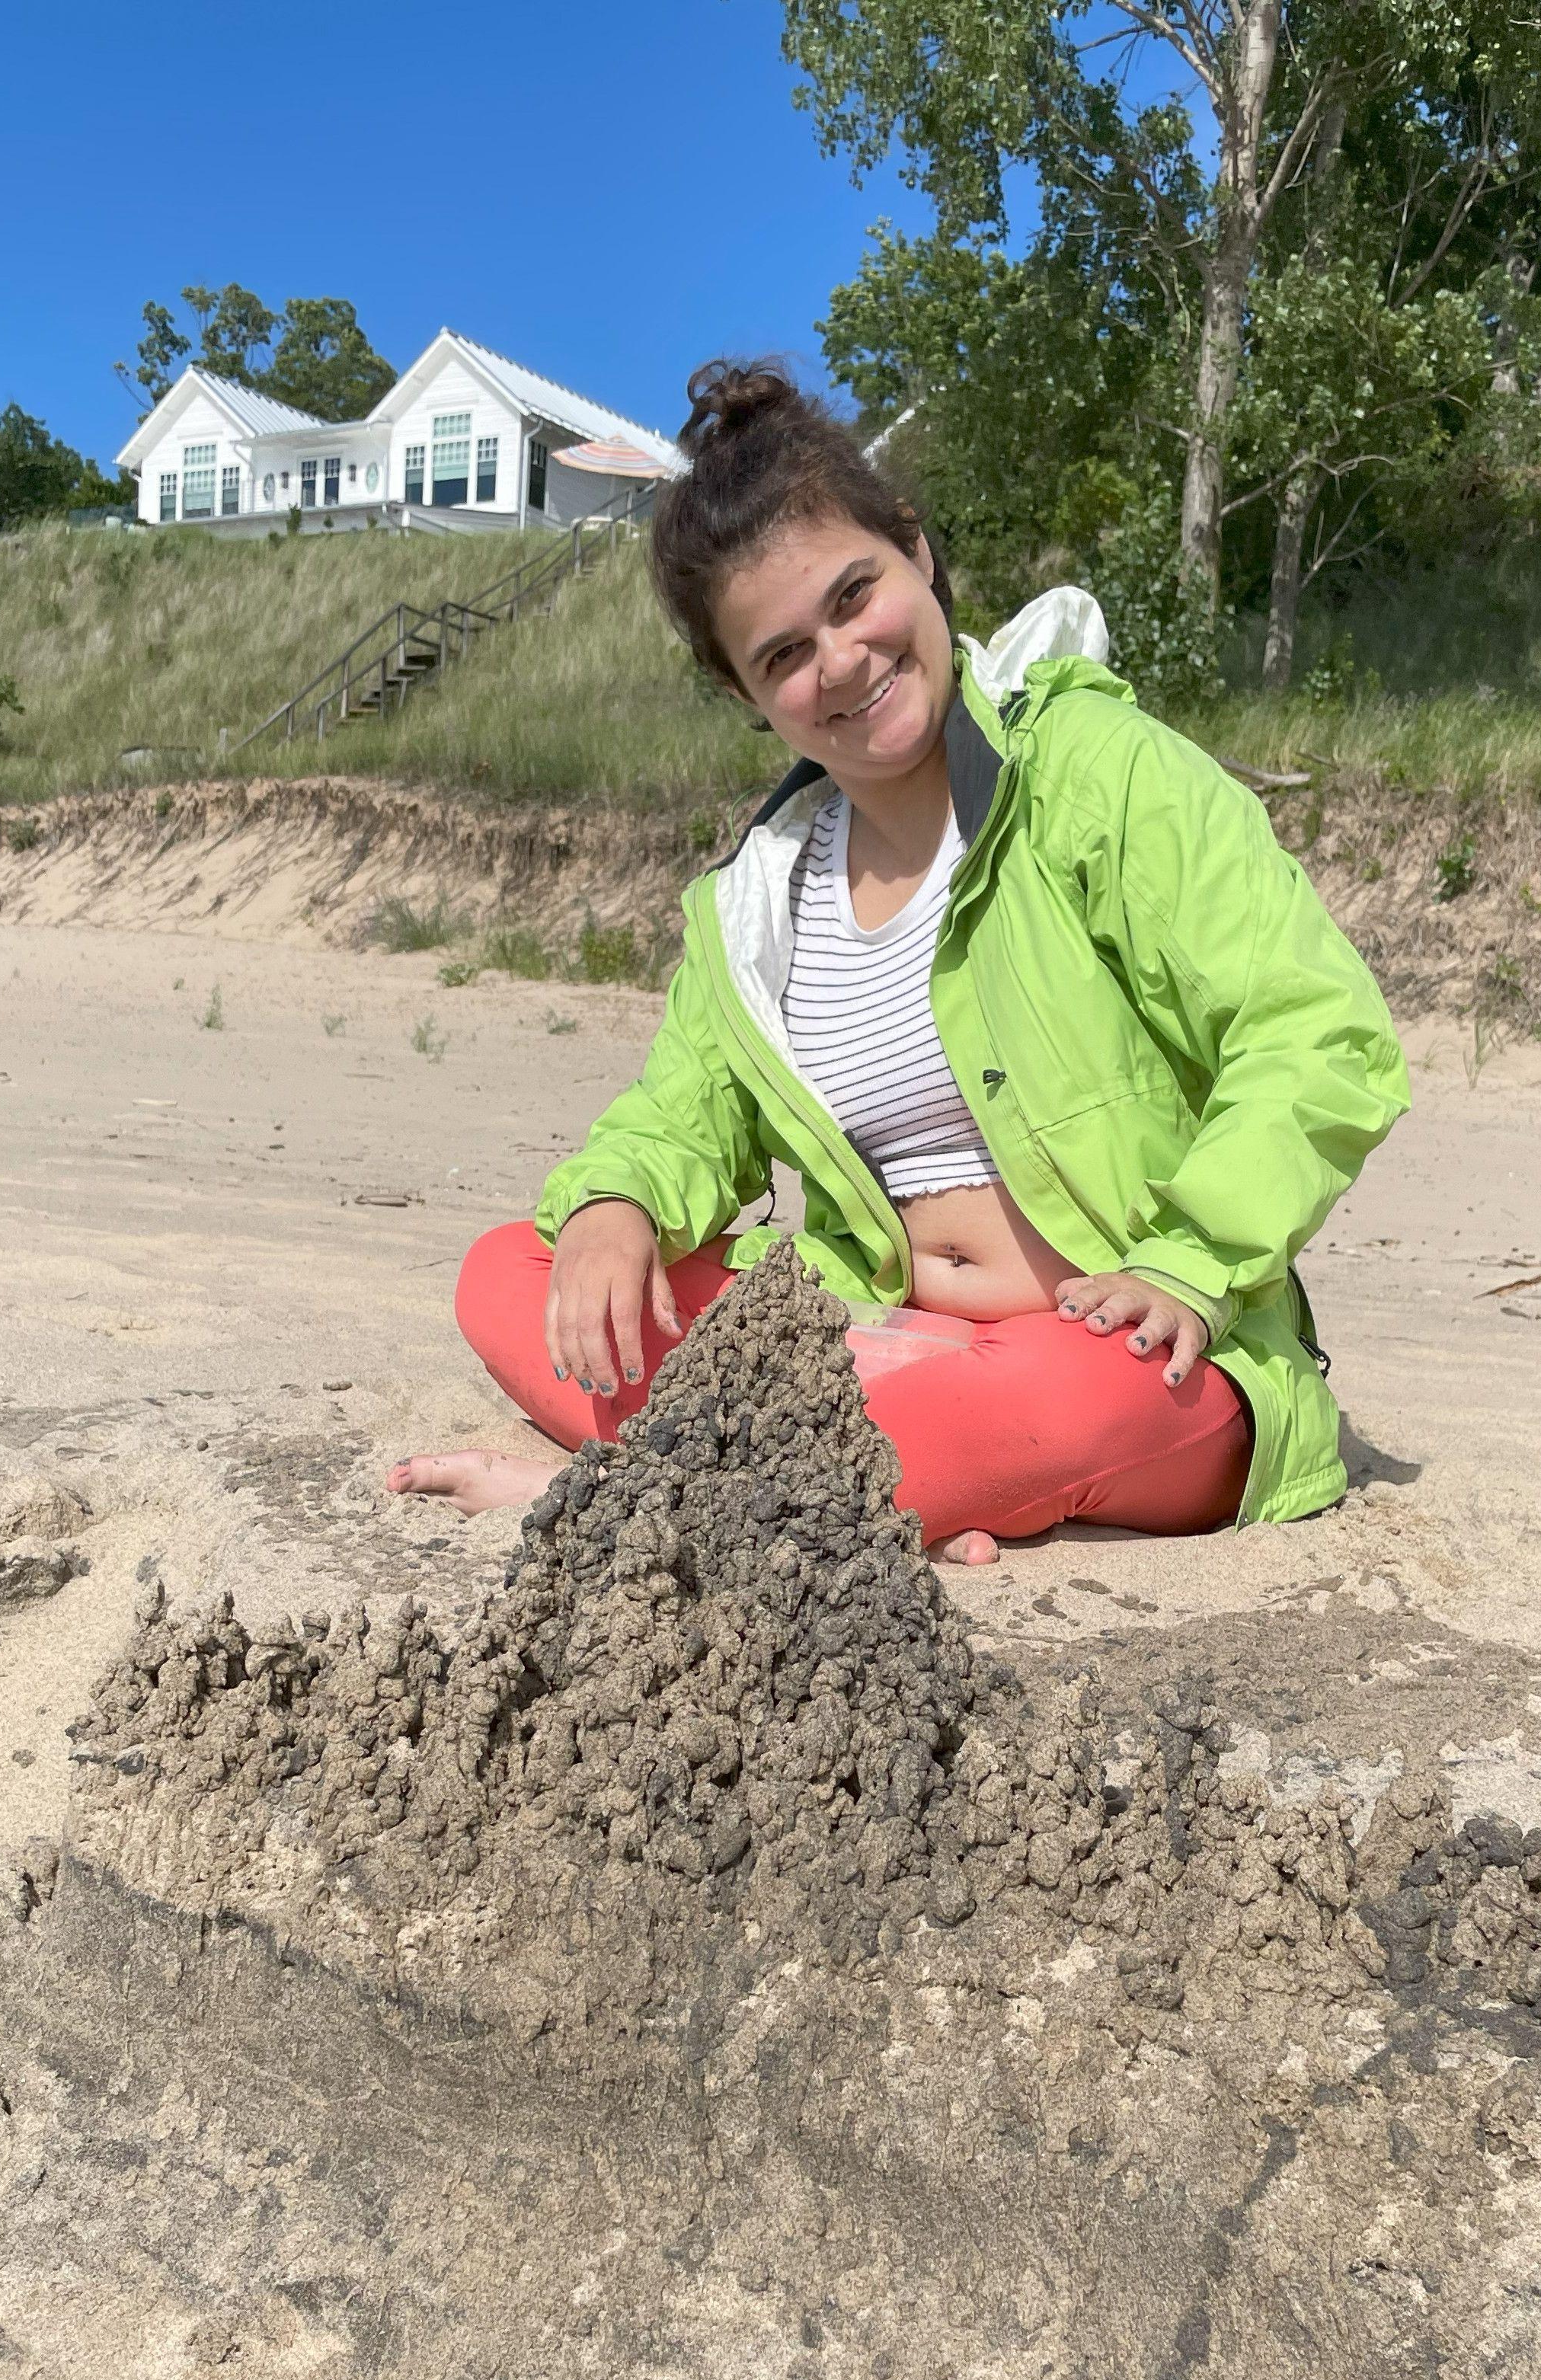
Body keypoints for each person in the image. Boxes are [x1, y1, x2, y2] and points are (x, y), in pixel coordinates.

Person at [390, 361, 1408, 1567]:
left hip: (1138, 1356)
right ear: (747, 693)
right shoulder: (759, 899)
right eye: (782, 656)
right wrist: (617, 1207)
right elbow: (683, 1113)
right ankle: (881, 1494)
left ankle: (639, 1494)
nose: (842, 660)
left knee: (1038, 1407)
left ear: (915, 553)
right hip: (880, 1338)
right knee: (515, 1272)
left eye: (853, 594)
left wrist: (1188, 1265)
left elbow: (1316, 1031)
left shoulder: (1093, 770)